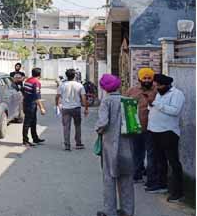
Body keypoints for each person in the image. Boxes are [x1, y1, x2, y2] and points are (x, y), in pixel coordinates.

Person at [95, 74, 135, 216]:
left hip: (110, 145)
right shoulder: (128, 100)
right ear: (118, 85)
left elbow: (103, 123)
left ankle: (109, 211)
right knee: (126, 178)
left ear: (104, 88)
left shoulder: (106, 102)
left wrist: (98, 129)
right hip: (127, 145)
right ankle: (127, 211)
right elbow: (134, 125)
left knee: (109, 178)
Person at [147, 73, 186, 203]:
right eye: (156, 85)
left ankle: (178, 192)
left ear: (167, 85)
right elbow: (154, 107)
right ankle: (162, 185)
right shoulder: (159, 93)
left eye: (159, 85)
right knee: (160, 160)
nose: (157, 87)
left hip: (169, 132)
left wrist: (157, 104)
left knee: (173, 162)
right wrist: (151, 104)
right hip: (155, 131)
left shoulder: (177, 94)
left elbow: (175, 111)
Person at [125, 68, 158, 184]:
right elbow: (126, 107)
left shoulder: (157, 90)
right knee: (137, 152)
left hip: (152, 127)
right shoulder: (132, 91)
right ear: (140, 79)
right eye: (145, 78)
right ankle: (137, 174)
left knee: (151, 153)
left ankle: (151, 177)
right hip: (136, 126)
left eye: (149, 78)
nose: (147, 80)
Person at [56, 68, 89, 151]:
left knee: (66, 127)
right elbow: (84, 97)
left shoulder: (62, 85)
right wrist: (86, 108)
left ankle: (67, 145)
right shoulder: (79, 85)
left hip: (66, 108)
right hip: (76, 108)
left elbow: (57, 96)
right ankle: (78, 143)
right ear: (74, 75)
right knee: (77, 126)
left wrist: (57, 104)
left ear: (66, 76)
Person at [21, 67, 46, 146]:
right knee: (27, 123)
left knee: (33, 122)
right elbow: (37, 97)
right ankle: (25, 140)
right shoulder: (36, 82)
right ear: (39, 74)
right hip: (31, 105)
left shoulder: (27, 80)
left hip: (26, 103)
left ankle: (35, 138)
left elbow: (24, 91)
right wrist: (41, 108)